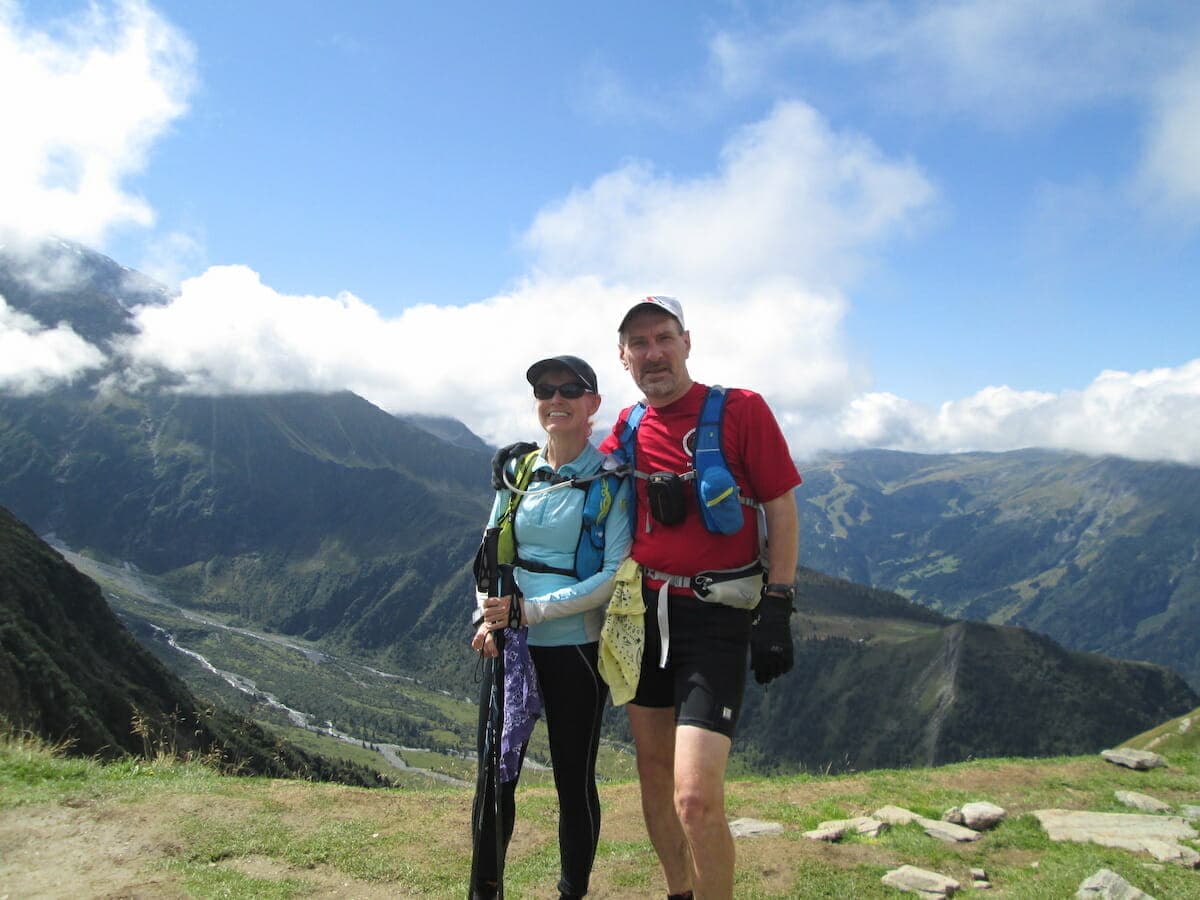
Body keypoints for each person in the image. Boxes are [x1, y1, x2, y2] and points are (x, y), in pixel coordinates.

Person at [597, 296, 802, 900]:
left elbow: (780, 506)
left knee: (694, 795)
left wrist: (780, 602)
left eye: (663, 337)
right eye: (639, 343)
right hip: (644, 618)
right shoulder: (629, 426)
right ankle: (678, 892)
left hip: (716, 621)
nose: (652, 353)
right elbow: (585, 476)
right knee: (654, 777)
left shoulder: (741, 410)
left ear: (688, 341)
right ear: (623, 356)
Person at [470, 354, 632, 900]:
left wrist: (528, 613)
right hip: (511, 646)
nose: (555, 399)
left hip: (574, 651)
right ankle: (484, 892)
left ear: (593, 404)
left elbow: (611, 577)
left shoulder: (609, 483)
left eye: (570, 389)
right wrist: (488, 616)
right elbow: (489, 555)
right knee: (496, 778)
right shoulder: (516, 473)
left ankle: (571, 892)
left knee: (572, 781)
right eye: (545, 389)